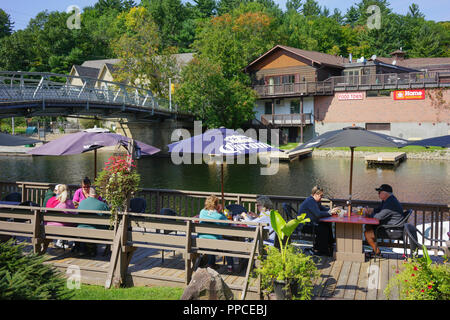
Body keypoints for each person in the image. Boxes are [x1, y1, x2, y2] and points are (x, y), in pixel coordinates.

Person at [364, 184, 404, 258]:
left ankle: (377, 253)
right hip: (391, 227)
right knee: (368, 226)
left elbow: (378, 217)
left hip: (394, 230)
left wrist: (369, 214)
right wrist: (371, 211)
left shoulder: (390, 203)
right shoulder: (388, 200)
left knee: (367, 233)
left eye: (379, 192)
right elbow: (378, 210)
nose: (378, 194)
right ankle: (375, 251)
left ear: (386, 193)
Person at [298, 186, 339, 257]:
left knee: (327, 224)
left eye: (322, 195)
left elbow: (323, 209)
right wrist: (330, 213)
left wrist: (332, 210)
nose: (321, 197)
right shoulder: (310, 201)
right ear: (314, 194)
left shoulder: (316, 201)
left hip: (311, 223)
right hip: (305, 225)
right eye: (320, 195)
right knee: (323, 229)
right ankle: (321, 250)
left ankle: (329, 245)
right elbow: (318, 214)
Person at [198, 195, 234, 272]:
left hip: (201, 241)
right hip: (215, 242)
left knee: (210, 241)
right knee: (228, 245)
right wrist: (220, 211)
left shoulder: (202, 212)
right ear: (216, 205)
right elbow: (227, 224)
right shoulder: (219, 216)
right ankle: (230, 266)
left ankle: (211, 264)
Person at [73, 187, 110, 257]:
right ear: (98, 195)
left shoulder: (81, 203)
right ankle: (94, 249)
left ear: (89, 194)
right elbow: (109, 219)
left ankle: (85, 248)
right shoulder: (102, 205)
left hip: (80, 229)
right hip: (96, 231)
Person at [45, 184, 77, 249]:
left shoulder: (50, 200)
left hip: (48, 226)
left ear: (57, 192)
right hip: (62, 227)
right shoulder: (68, 202)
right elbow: (75, 215)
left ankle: (61, 241)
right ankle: (74, 243)